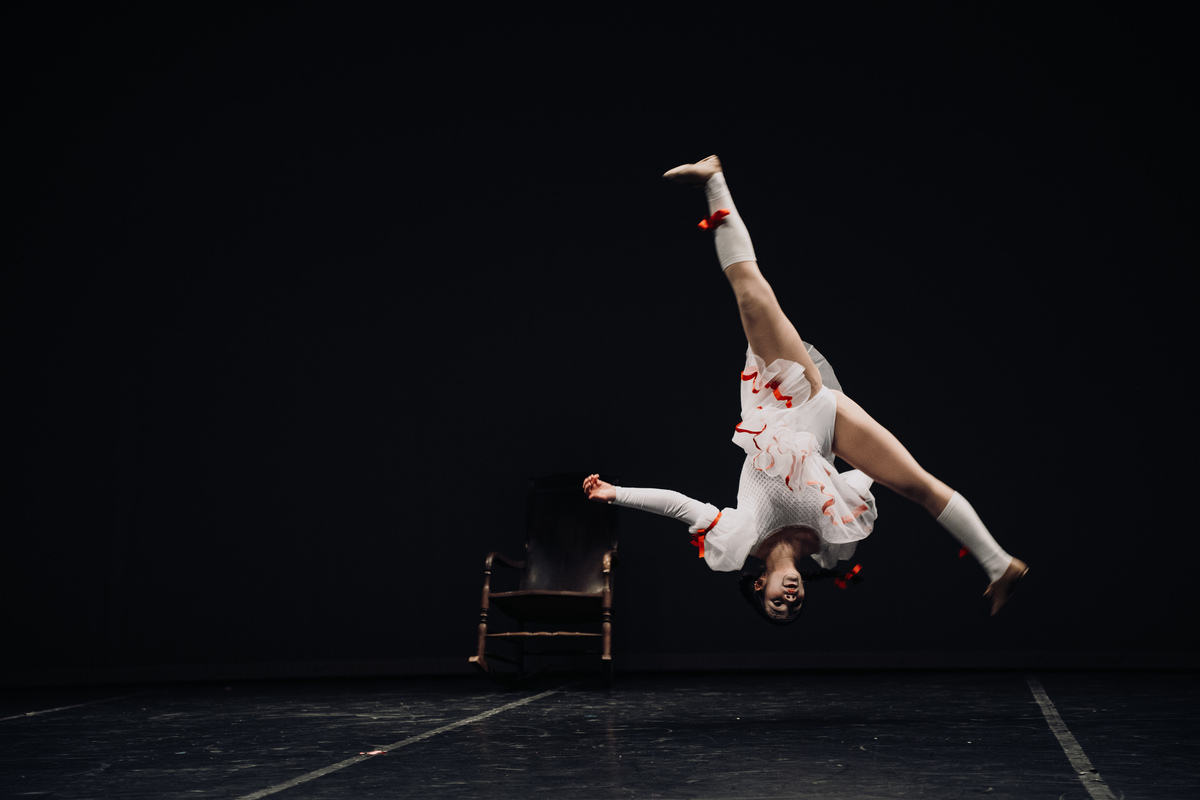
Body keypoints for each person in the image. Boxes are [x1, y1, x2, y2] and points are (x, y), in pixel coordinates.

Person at [582, 155, 1027, 623]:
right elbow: (862, 479)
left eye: (777, 603)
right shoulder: (830, 545)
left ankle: (713, 179)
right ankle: (1001, 565)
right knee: (918, 486)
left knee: (750, 294)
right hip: (827, 424)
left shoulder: (740, 538)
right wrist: (884, 462)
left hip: (782, 398)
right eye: (795, 606)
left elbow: (680, 506)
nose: (790, 598)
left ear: (760, 586)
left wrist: (617, 494)